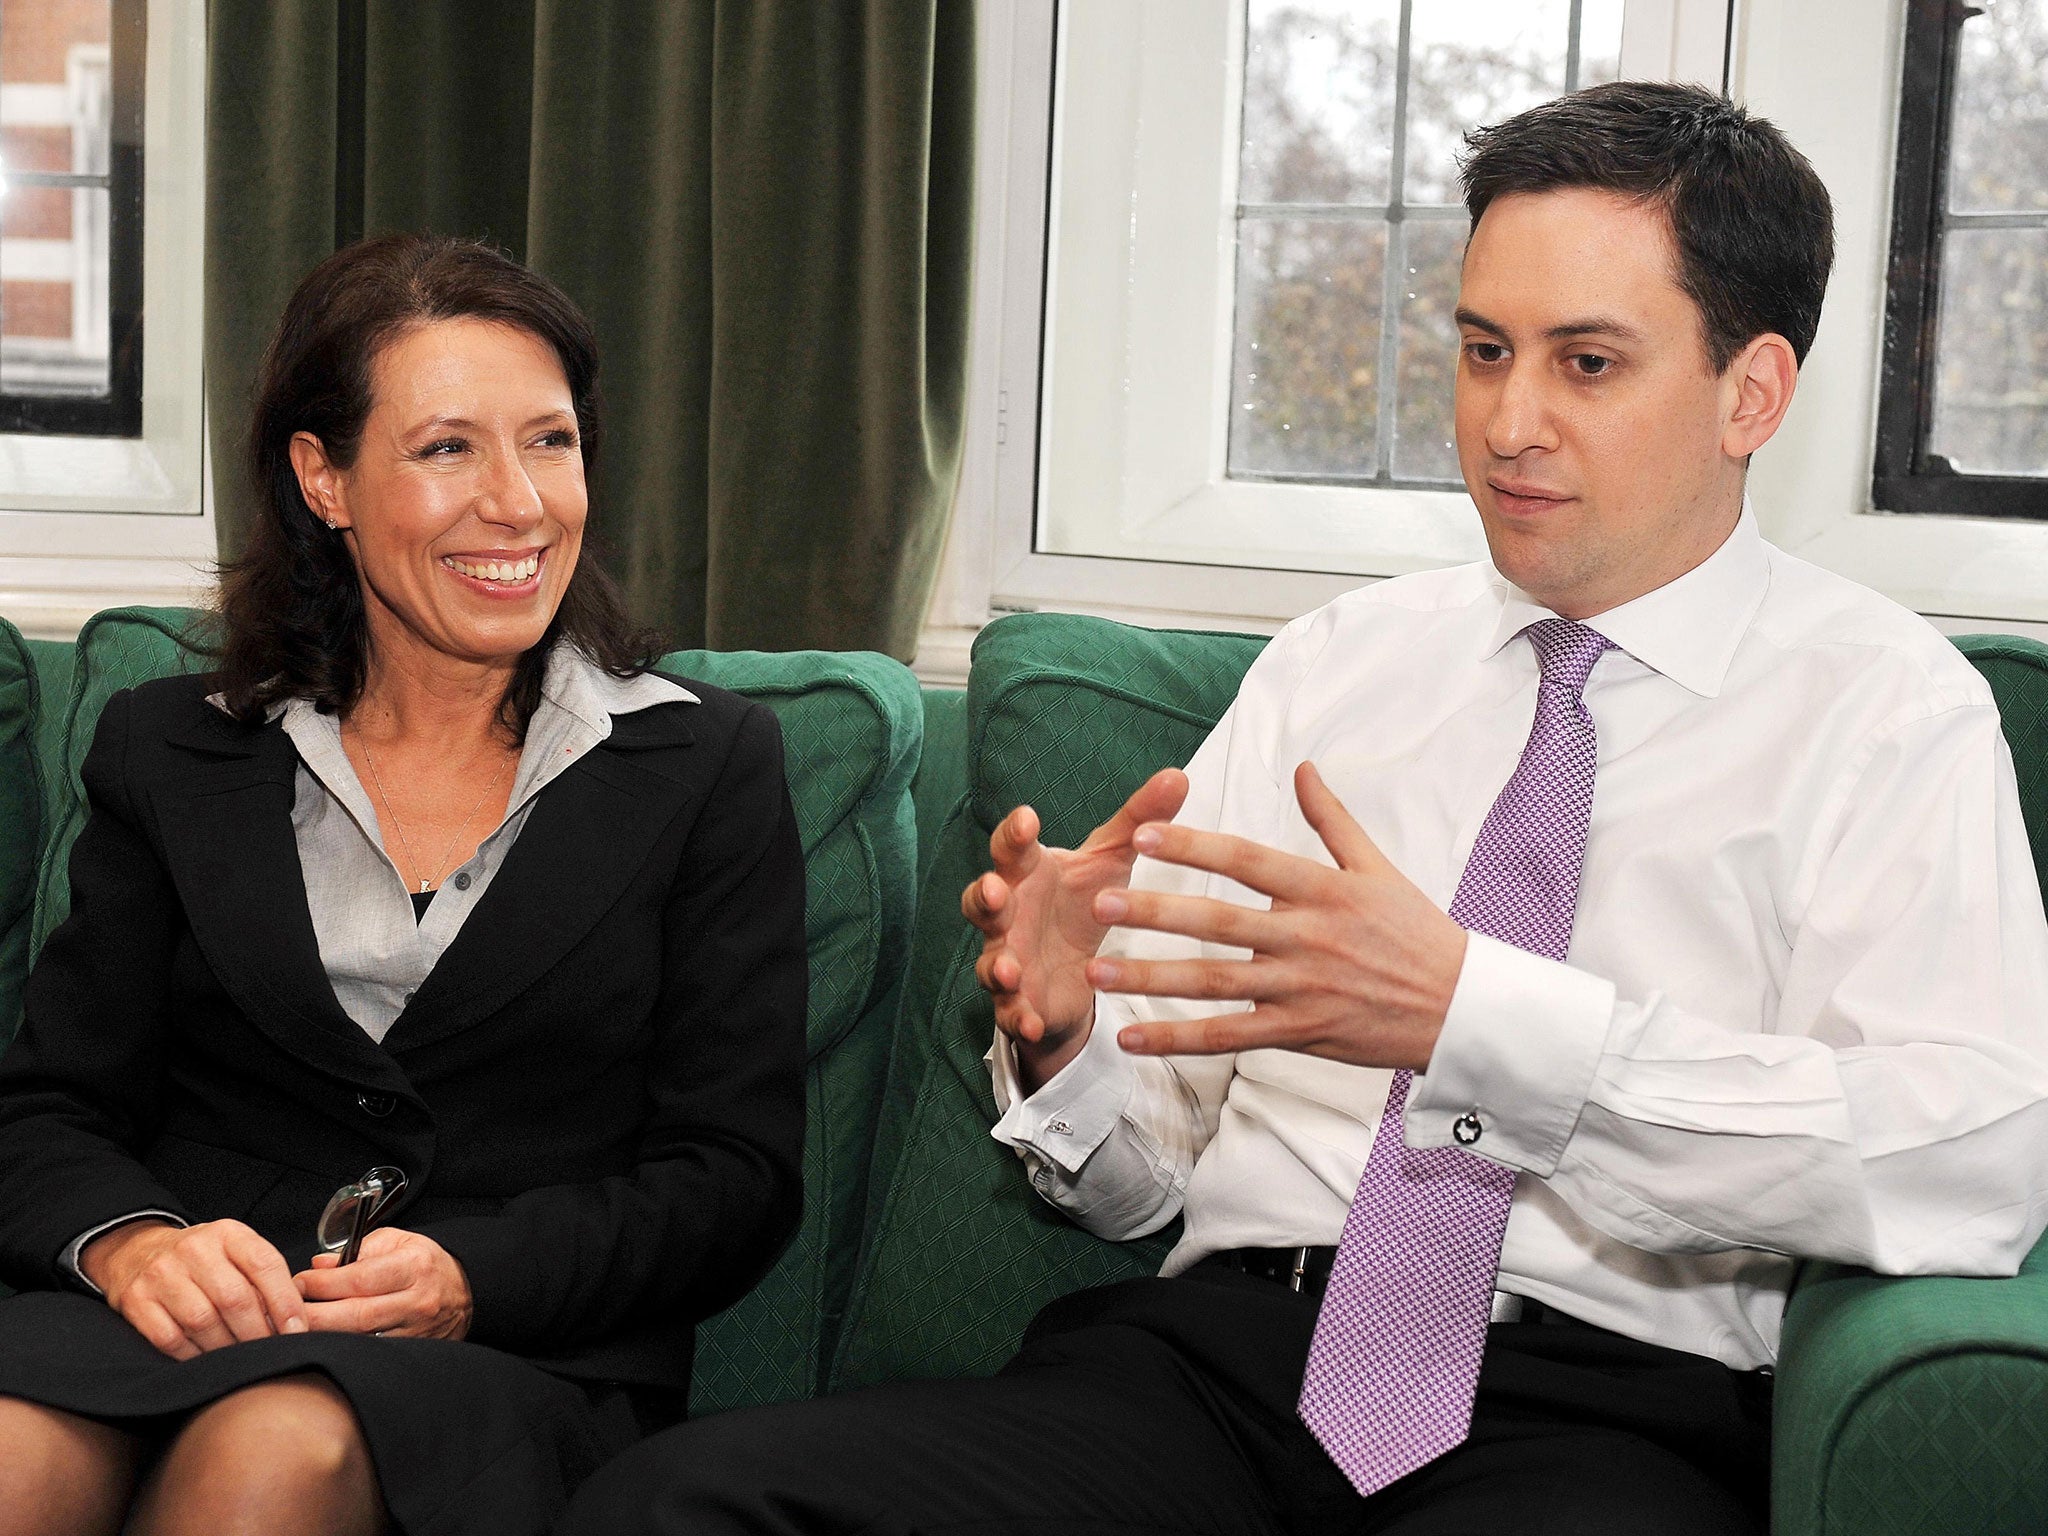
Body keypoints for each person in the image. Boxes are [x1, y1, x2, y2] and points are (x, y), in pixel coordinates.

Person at [562, 81, 2048, 1536]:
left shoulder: (1887, 712)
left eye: (1587, 363)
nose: (1509, 422)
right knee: (677, 1503)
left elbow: (1969, 1160)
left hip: (1603, 1412)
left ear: (1752, 392)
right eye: (1483, 350)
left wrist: (1481, 1021)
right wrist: (1070, 1037)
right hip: (1221, 1370)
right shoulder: (1339, 664)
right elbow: (1142, 1182)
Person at [0, 234, 807, 1536]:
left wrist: (475, 1276)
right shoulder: (173, 749)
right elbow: (48, 1109)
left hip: (508, 1357)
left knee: (272, 1451)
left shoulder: (705, 765)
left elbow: (733, 1174)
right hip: (178, 1313)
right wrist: (137, 1245)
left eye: (550, 442)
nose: (519, 503)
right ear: (322, 477)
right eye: (446, 449)